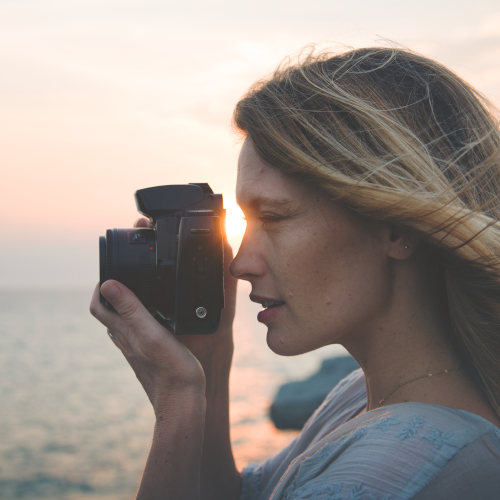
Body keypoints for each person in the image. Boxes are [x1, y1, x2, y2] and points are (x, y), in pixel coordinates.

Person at [90, 46, 500, 500]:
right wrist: (210, 356)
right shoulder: (366, 396)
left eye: (276, 218)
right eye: (246, 224)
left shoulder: (399, 473)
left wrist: (177, 404)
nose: (240, 264)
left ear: (396, 227)